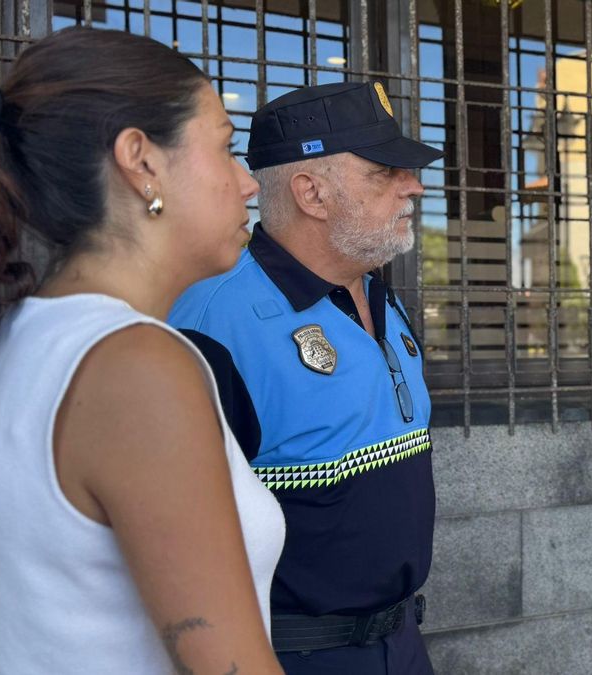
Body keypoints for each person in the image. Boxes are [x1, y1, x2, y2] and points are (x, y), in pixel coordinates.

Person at [0, 28, 284, 674]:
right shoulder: (135, 367)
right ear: (141, 160)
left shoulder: (19, 340)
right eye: (226, 147)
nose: (249, 184)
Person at [169, 80, 442, 674]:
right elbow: (173, 548)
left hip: (402, 642)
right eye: (383, 171)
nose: (414, 185)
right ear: (311, 192)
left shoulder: (376, 289)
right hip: (291, 657)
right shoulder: (214, 321)